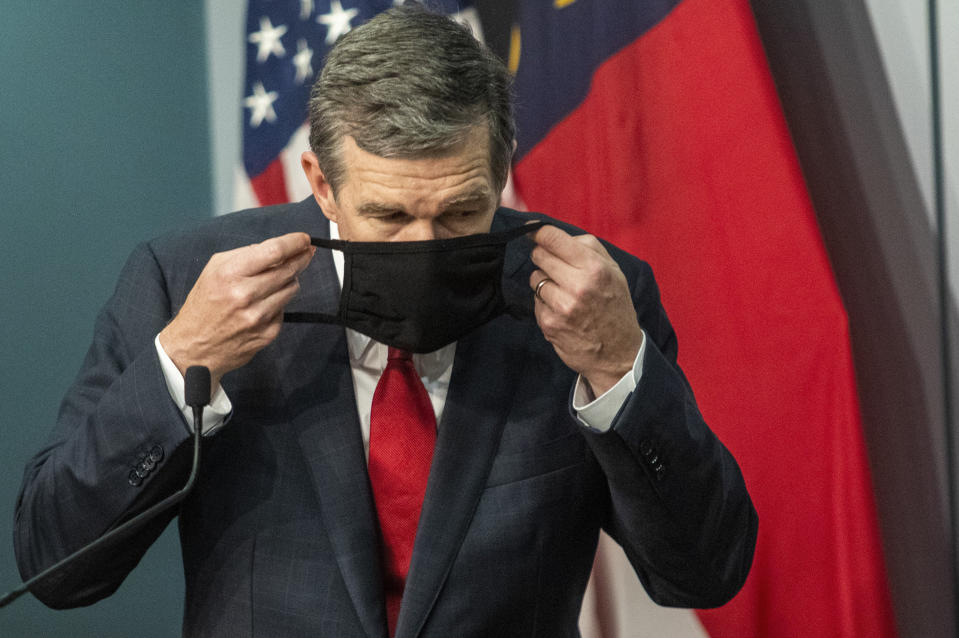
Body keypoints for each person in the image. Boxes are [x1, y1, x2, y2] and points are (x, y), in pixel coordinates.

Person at [14, 5, 756, 637]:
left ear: (501, 174)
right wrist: (180, 363)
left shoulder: (595, 297)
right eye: (389, 214)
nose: (423, 246)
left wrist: (620, 369)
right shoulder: (184, 282)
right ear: (321, 184)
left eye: (462, 211)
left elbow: (705, 571)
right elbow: (58, 566)